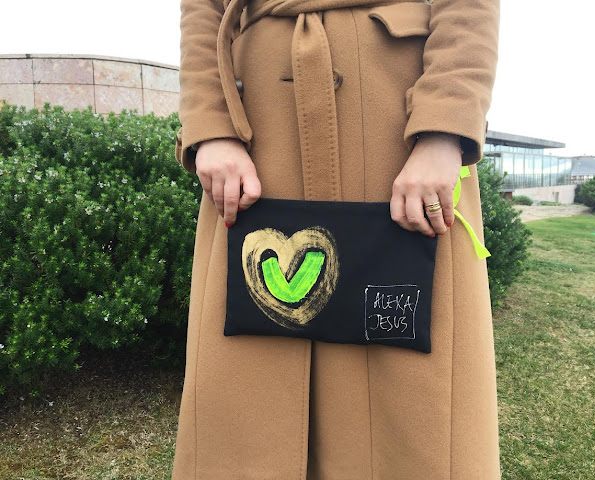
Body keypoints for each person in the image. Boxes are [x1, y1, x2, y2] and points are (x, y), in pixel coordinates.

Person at [171, 0, 501, 478]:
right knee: (246, 408)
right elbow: (201, 8)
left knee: (412, 408)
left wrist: (445, 127)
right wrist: (210, 125)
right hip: (258, 127)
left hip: (397, 127)